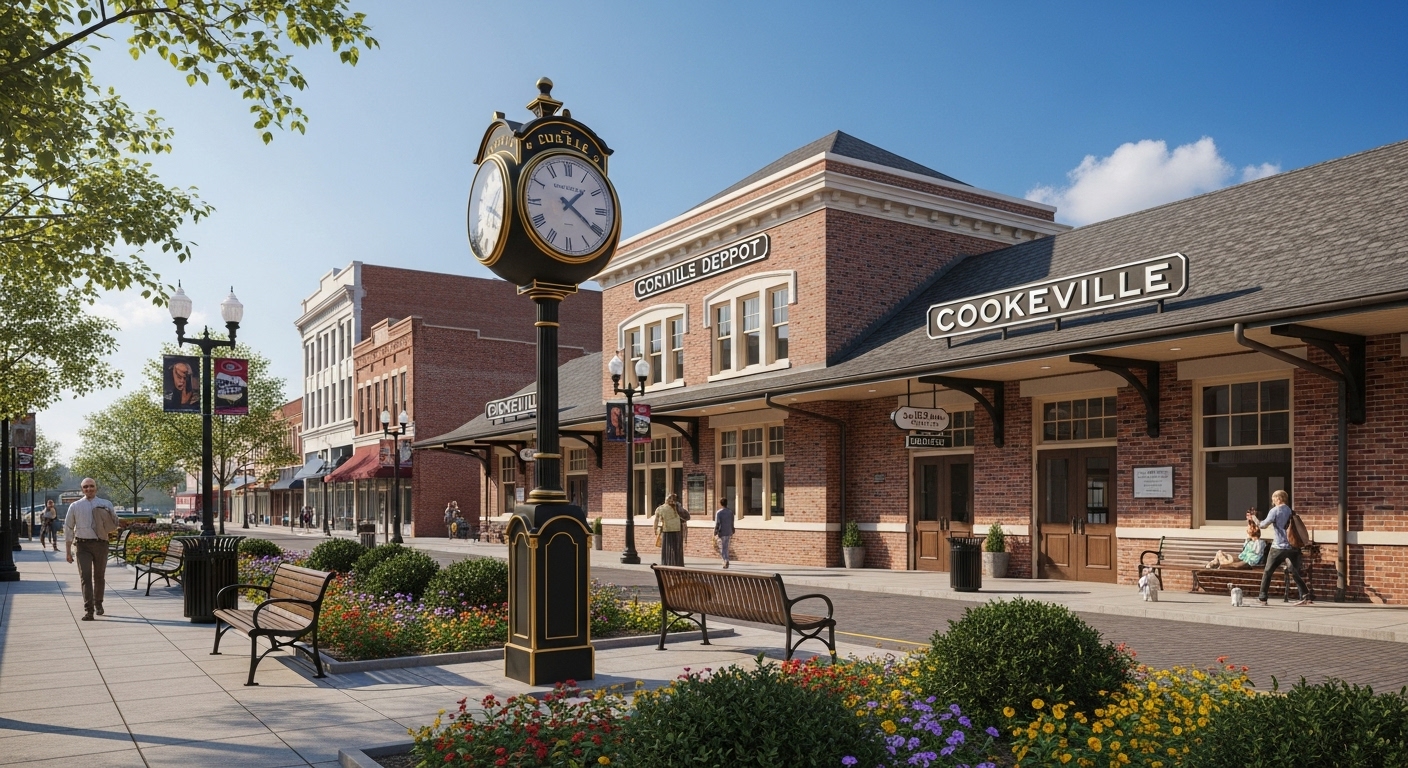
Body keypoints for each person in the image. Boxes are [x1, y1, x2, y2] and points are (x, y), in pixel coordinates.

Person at [64, 478, 119, 621]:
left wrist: (108, 518)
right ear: (82, 489)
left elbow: (114, 523)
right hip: (82, 545)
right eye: (85, 487)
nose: (89, 489)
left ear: (96, 488)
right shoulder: (75, 506)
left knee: (99, 576)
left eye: (91, 486)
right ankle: (89, 610)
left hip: (101, 544)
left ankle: (98, 603)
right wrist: (68, 550)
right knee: (85, 577)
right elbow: (69, 527)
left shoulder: (105, 504)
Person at [1247, 489, 1314, 606]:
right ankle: (1306, 597)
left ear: (1278, 499)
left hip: (1278, 547)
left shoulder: (1275, 511)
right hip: (1292, 547)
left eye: (1273, 500)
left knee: (1268, 571)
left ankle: (1262, 598)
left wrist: (1254, 518)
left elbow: (1263, 525)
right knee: (1295, 572)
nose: (1273, 502)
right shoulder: (1290, 511)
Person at [655, 493, 684, 567]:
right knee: (675, 548)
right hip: (672, 530)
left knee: (668, 548)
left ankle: (667, 563)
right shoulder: (677, 508)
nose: (671, 501)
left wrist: (656, 530)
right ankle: (676, 563)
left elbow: (656, 520)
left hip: (668, 530)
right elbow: (686, 517)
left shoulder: (662, 508)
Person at [714, 497, 735, 569]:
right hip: (729, 531)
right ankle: (727, 559)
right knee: (726, 546)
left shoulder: (719, 512)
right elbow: (732, 522)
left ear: (720, 503)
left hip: (722, 531)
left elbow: (717, 523)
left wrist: (715, 532)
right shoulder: (730, 512)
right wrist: (732, 529)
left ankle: (724, 560)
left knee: (722, 547)